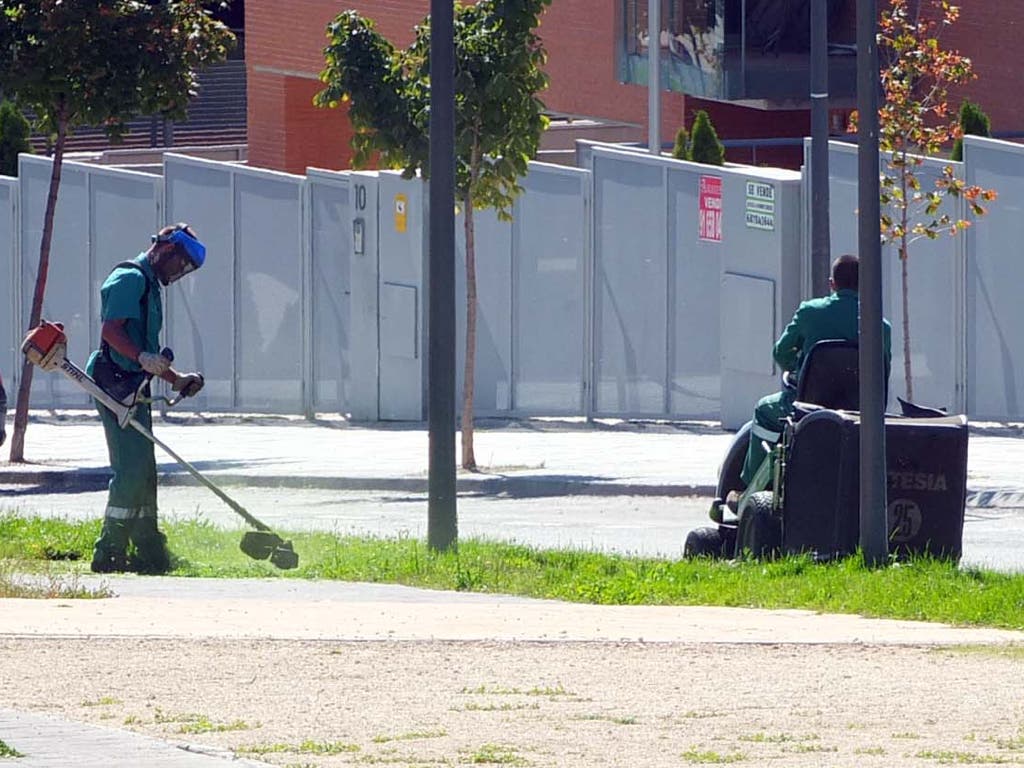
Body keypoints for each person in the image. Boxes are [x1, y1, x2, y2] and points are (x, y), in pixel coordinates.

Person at [86, 223, 207, 574]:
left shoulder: (151, 285)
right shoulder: (131, 277)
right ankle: (109, 551)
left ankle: (148, 550)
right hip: (115, 382)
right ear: (165, 249)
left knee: (146, 469)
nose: (179, 272)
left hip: (135, 383)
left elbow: (149, 353)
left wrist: (176, 378)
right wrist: (141, 359)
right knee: (131, 468)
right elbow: (112, 331)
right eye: (179, 263)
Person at [736, 254, 892, 490]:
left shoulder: (810, 312)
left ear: (832, 284)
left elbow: (781, 352)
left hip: (807, 407)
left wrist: (799, 369)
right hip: (860, 411)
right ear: (864, 284)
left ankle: (751, 489)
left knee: (765, 409)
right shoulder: (881, 325)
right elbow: (883, 369)